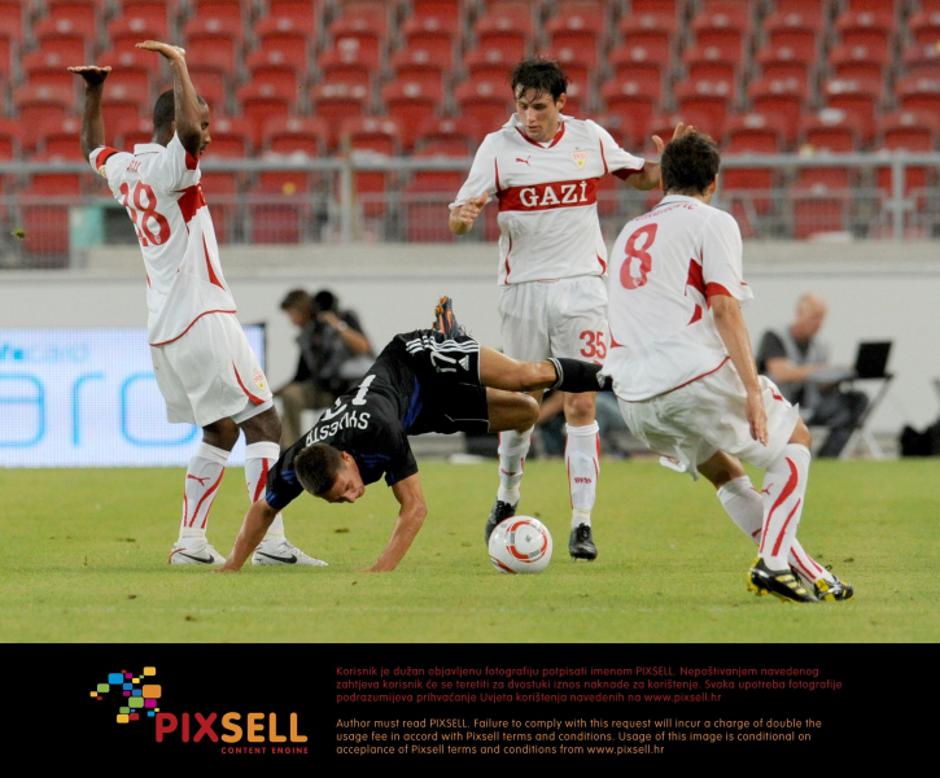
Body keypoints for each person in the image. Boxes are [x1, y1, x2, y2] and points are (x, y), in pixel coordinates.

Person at [70, 41, 323, 567]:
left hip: (167, 327)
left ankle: (190, 542)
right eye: (204, 123)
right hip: (203, 316)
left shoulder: (129, 168)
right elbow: (186, 134)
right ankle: (269, 545)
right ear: (176, 123)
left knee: (221, 429)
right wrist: (180, 63)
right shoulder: (170, 167)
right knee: (265, 424)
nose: (207, 134)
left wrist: (94, 92)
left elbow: (92, 148)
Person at [448, 57, 685, 561]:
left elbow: (641, 178)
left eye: (538, 107)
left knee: (582, 400)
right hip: (523, 290)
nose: (528, 117)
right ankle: (507, 496)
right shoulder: (497, 148)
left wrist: (669, 164)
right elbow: (459, 220)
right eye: (521, 106)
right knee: (523, 402)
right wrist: (465, 216)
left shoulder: (589, 139)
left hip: (583, 288)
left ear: (561, 103)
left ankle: (582, 522)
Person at [601, 132, 852, 602]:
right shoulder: (713, 221)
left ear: (664, 181)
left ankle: (813, 572)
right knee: (795, 440)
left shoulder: (629, 232)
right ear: (713, 183)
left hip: (634, 395)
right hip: (688, 376)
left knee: (725, 471)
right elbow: (725, 310)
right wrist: (753, 390)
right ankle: (774, 565)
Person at [220, 297, 609, 573]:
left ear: (349, 460)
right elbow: (263, 509)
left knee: (525, 376)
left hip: (417, 359)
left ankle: (614, 375)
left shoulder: (378, 434)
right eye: (341, 499)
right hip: (422, 411)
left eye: (348, 488)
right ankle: (459, 342)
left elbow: (415, 508)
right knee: (528, 410)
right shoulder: (299, 461)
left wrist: (380, 570)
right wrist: (233, 565)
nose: (353, 497)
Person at [756, 294, 868, 458]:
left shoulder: (820, 345)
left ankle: (828, 457)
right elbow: (780, 373)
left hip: (811, 405)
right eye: (814, 317)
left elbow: (821, 386)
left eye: (822, 318)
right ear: (799, 314)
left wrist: (839, 375)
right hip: (777, 407)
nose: (818, 324)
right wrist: (818, 371)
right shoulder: (775, 336)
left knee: (856, 400)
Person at [276, 288, 373, 448]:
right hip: (324, 389)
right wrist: (270, 393)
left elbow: (363, 348)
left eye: (292, 314)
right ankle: (292, 451)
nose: (291, 320)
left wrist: (337, 325)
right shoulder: (309, 335)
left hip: (351, 388)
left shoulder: (345, 318)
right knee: (291, 395)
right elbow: (300, 376)